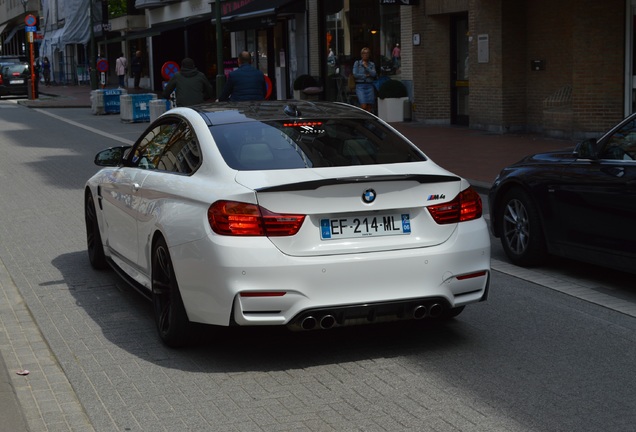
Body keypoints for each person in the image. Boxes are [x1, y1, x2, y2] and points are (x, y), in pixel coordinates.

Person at [352, 47, 377, 112]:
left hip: (369, 86)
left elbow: (374, 74)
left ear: (369, 54)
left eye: (367, 53)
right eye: (364, 53)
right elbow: (355, 75)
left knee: (369, 106)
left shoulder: (371, 64)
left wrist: (367, 67)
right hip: (360, 86)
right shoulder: (357, 63)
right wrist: (366, 75)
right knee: (363, 105)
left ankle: (368, 121)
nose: (365, 55)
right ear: (361, 54)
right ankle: (362, 120)